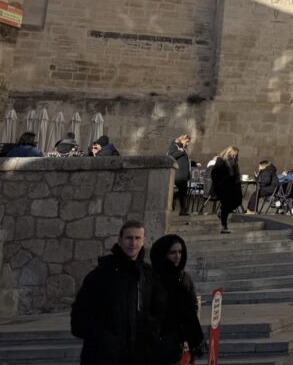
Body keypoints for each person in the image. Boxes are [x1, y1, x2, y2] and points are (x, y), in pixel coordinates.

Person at [70, 220, 164, 364]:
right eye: (129, 238)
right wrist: (105, 340)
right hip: (103, 357)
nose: (133, 243)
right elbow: (79, 319)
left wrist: (150, 336)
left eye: (137, 238)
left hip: (139, 356)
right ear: (120, 240)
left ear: (143, 241)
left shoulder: (149, 275)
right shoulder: (100, 275)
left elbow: (158, 311)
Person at [150, 234, 205, 364]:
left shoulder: (184, 278)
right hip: (157, 340)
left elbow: (192, 306)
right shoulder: (152, 278)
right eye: (172, 252)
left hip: (178, 341)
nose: (177, 256)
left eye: (180, 252)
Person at [211, 146, 242, 234]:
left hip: (234, 186)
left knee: (238, 202)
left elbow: (236, 174)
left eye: (236, 155)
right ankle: (224, 225)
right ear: (228, 153)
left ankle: (221, 214)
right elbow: (214, 174)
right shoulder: (221, 161)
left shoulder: (235, 162)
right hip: (224, 186)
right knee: (226, 204)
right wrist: (226, 178)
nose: (235, 157)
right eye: (233, 155)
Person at [167, 134, 192, 216]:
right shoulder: (174, 145)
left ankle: (181, 208)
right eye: (187, 141)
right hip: (179, 173)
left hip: (184, 174)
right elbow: (171, 156)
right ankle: (178, 206)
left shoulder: (184, 148)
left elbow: (185, 160)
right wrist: (180, 151)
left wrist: (195, 163)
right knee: (182, 191)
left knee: (183, 192)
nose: (187, 144)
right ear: (182, 139)